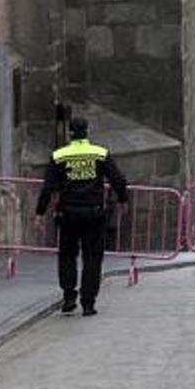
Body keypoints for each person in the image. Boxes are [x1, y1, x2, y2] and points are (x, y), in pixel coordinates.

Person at [35, 117, 129, 317]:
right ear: (87, 131)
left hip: (67, 213)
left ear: (70, 133)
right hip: (94, 213)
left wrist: (40, 212)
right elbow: (118, 180)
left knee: (67, 255)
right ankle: (88, 302)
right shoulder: (99, 154)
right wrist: (123, 199)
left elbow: (47, 188)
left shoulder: (59, 155)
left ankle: (69, 296)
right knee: (92, 258)